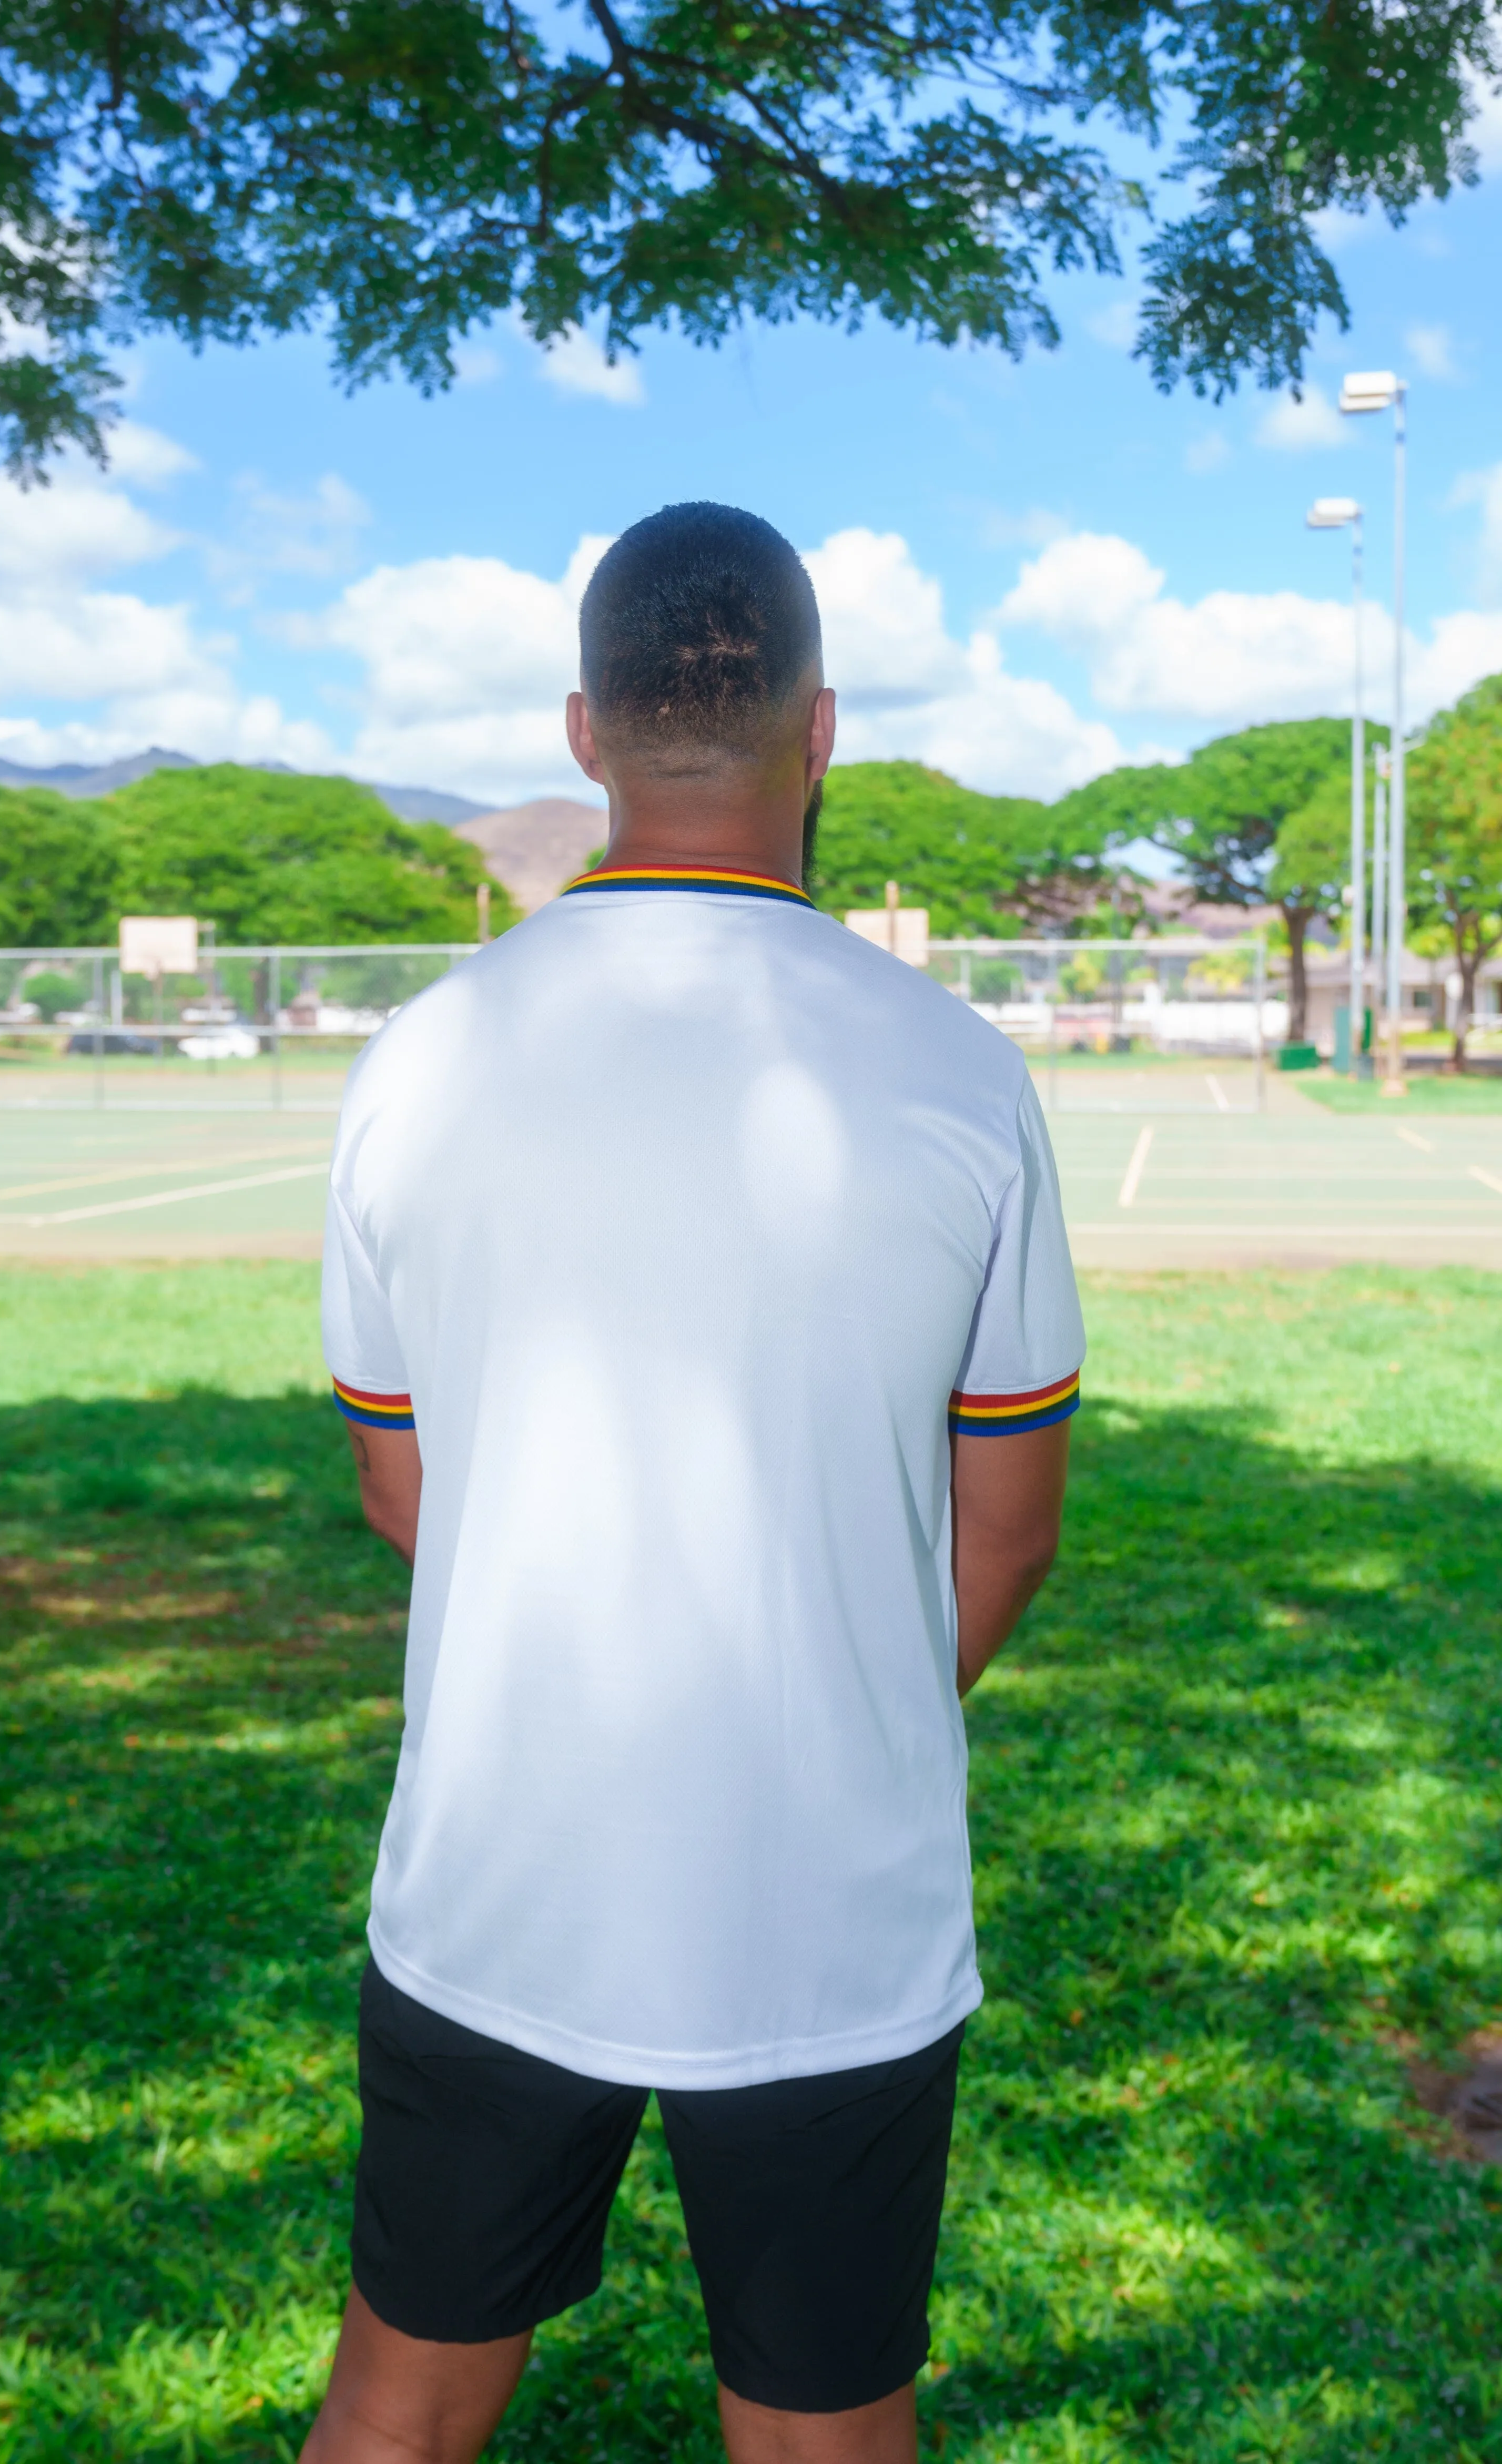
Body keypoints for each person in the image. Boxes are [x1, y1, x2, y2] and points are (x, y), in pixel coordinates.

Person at [308, 502, 1083, 2464]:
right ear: (824, 729)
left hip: (499, 1879)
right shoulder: (965, 1074)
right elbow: (1007, 1531)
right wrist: (819, 1716)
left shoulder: (416, 1057)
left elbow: (409, 1496)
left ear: (585, 729)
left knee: (399, 2400)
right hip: (833, 1912)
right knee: (830, 2428)